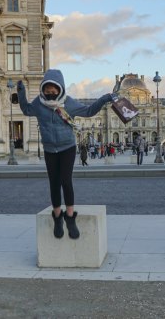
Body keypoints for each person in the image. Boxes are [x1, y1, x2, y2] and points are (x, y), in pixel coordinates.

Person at [17, 69, 115, 239]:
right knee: (53, 183)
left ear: (60, 88)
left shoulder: (68, 103)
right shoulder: (38, 104)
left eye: (53, 90)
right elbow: (26, 110)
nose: (50, 93)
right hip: (49, 149)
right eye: (47, 90)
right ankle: (57, 217)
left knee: (66, 181)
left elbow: (89, 111)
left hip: (67, 147)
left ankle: (70, 217)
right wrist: (21, 91)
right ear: (42, 90)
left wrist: (105, 99)